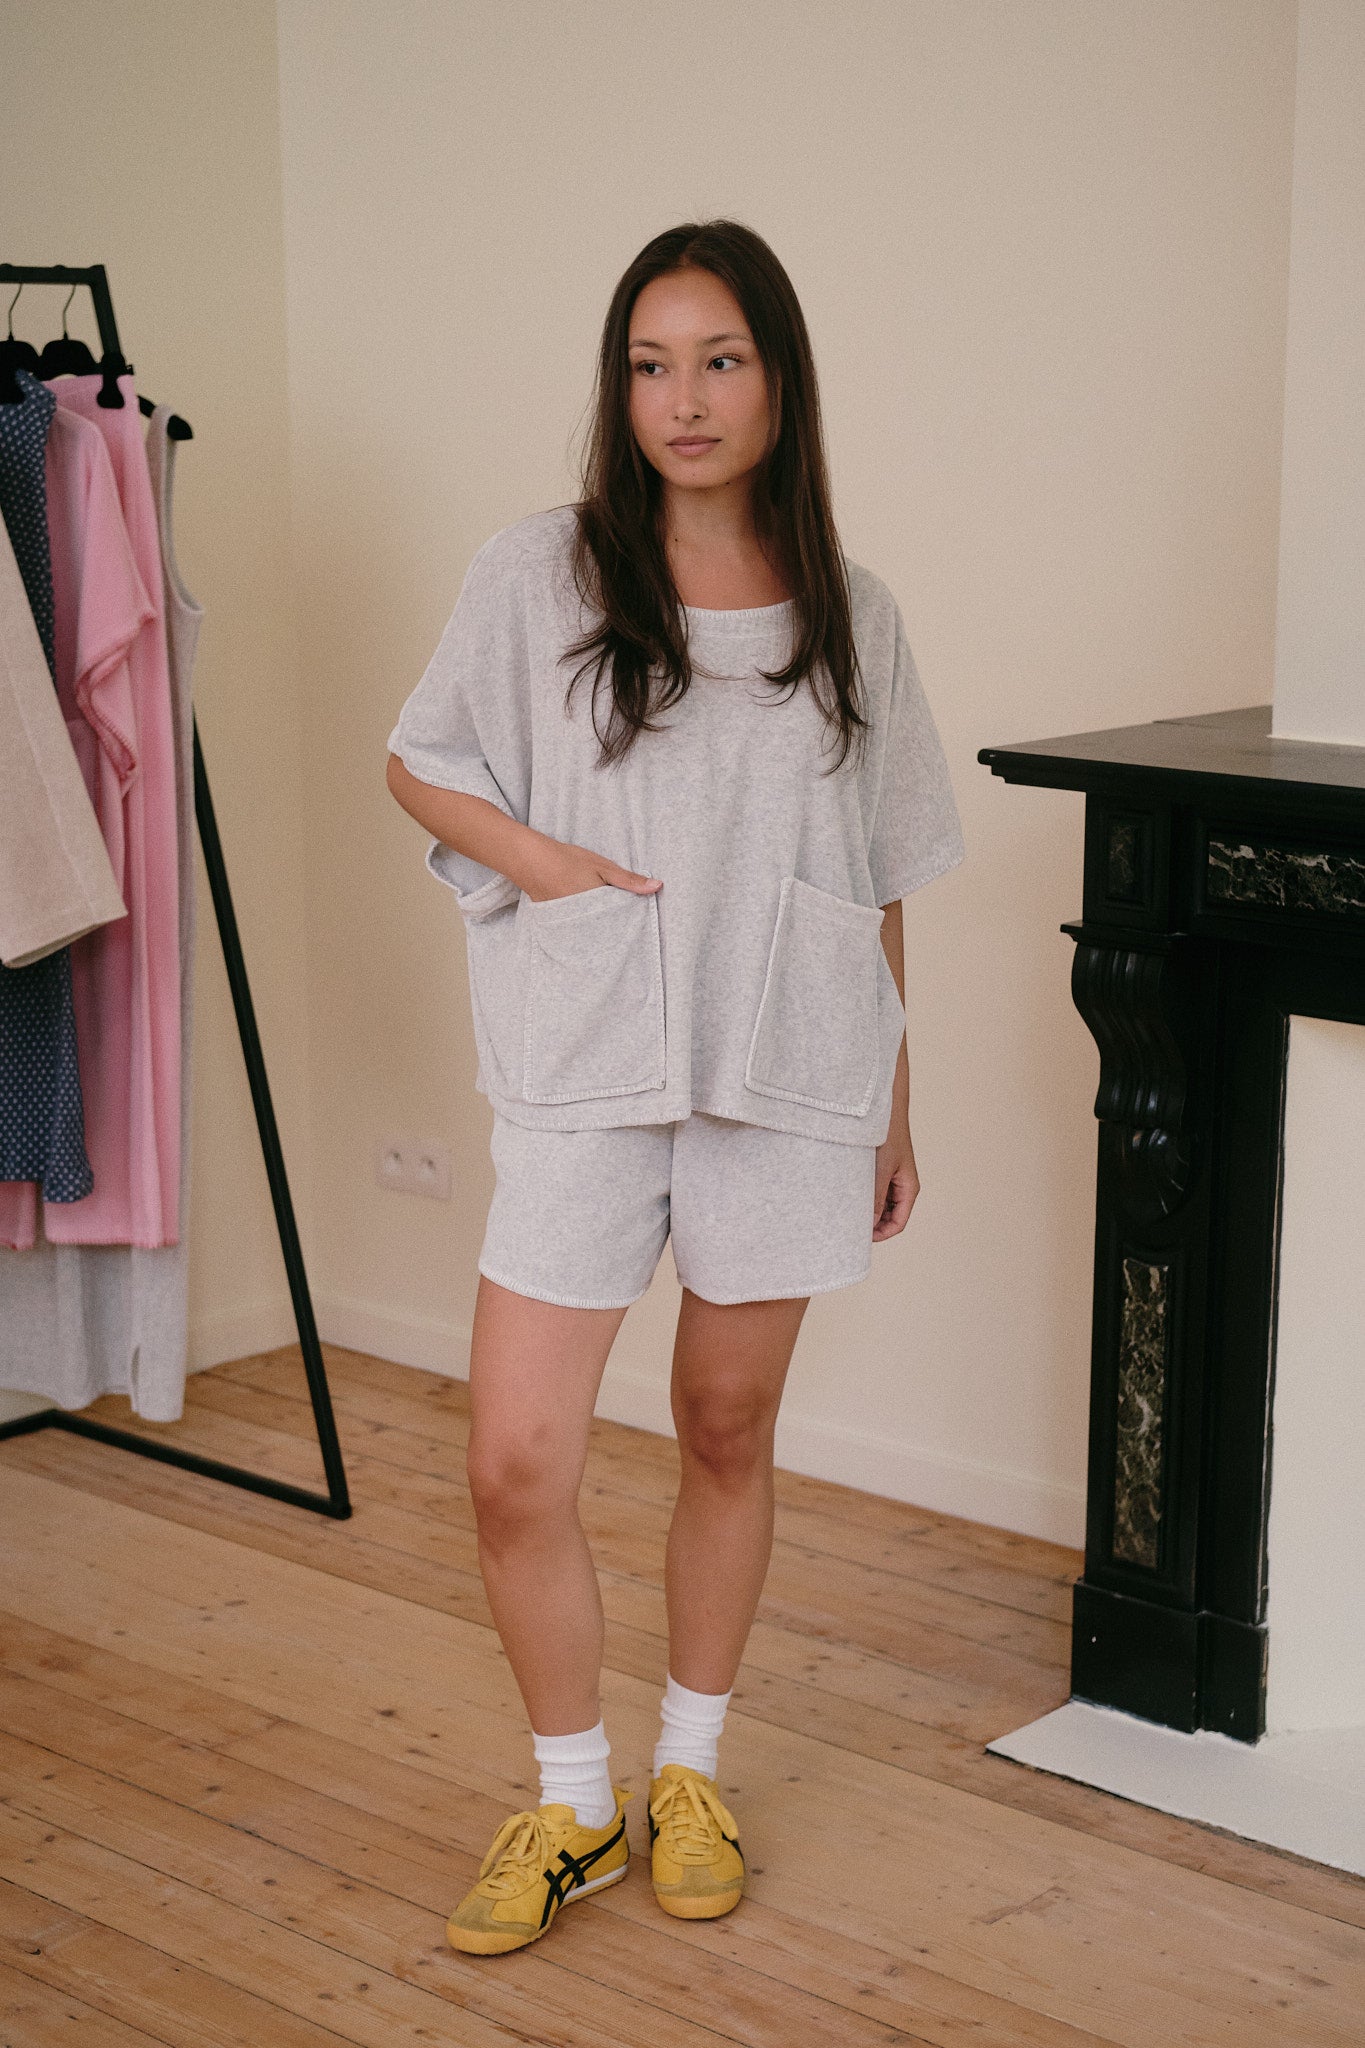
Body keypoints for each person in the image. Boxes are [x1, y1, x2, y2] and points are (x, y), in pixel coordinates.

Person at [385, 218, 965, 1956]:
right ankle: (573, 1803)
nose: (683, 399)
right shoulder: (540, 573)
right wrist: (543, 865)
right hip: (587, 1060)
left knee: (724, 1426)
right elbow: (422, 763)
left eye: (718, 361)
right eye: (650, 366)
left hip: (787, 1077)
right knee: (516, 1459)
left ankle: (690, 1770)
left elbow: (877, 876)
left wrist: (892, 1103)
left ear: (778, 379)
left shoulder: (852, 611)